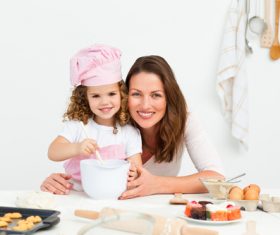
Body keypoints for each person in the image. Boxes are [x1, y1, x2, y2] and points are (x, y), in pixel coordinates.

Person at [41, 54, 224, 197]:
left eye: (156, 95)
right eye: (136, 94)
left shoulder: (184, 121)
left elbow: (216, 178)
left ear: (169, 97)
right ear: (124, 94)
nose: (145, 105)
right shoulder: (110, 120)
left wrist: (157, 185)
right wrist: (61, 182)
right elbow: (68, 154)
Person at [47, 44, 142, 190]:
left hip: (113, 195)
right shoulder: (78, 126)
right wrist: (77, 148)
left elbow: (136, 169)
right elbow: (53, 152)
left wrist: (133, 172)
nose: (105, 102)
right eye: (96, 96)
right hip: (76, 194)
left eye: (111, 94)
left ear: (122, 94)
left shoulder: (129, 133)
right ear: (85, 98)